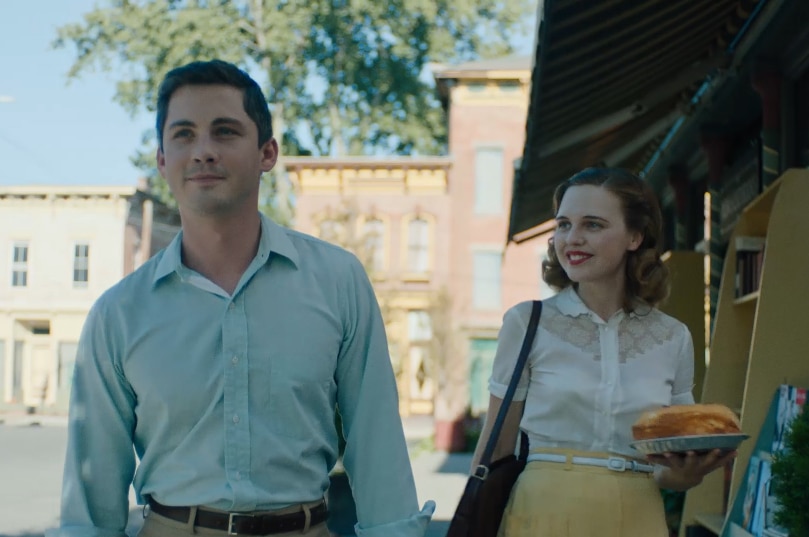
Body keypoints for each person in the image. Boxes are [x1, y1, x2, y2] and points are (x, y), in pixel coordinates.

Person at [52, 59, 434, 537]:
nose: (203, 151)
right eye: (184, 134)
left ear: (267, 153)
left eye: (226, 132)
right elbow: (91, 503)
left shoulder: (337, 281)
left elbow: (376, 439)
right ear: (162, 160)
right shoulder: (119, 313)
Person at [470, 167, 736, 537]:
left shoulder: (672, 337)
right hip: (540, 514)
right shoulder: (526, 323)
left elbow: (669, 468)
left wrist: (685, 475)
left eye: (592, 225)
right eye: (563, 224)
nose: (572, 239)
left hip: (639, 516)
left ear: (635, 236)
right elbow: (495, 447)